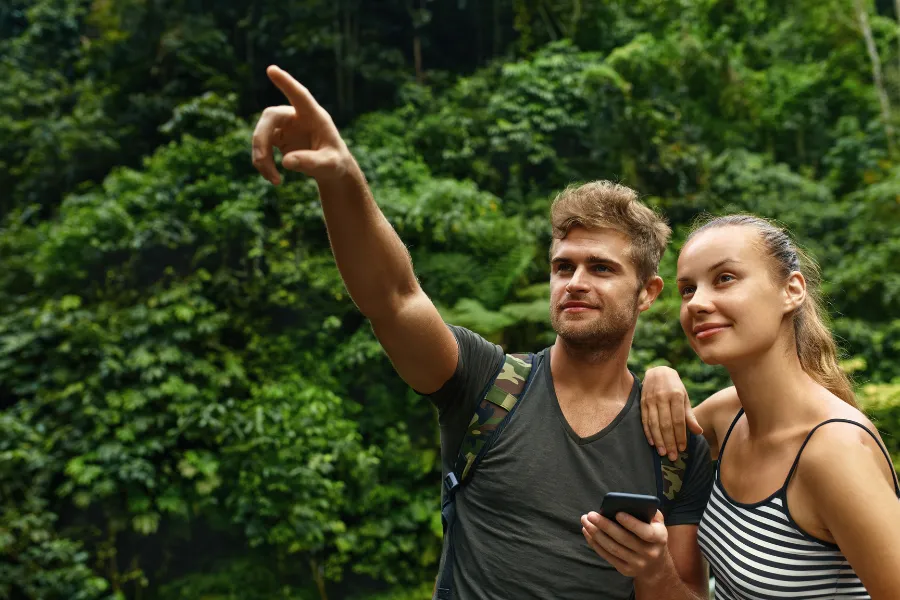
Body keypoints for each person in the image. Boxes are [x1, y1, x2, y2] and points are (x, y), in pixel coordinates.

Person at [251, 65, 714, 600]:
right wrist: (341, 179)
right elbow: (394, 298)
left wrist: (653, 572)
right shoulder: (487, 384)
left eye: (601, 268)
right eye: (563, 267)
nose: (576, 283)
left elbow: (688, 592)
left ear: (649, 292)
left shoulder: (675, 446)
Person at [640, 215, 900, 599]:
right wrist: (658, 374)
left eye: (725, 278)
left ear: (791, 291)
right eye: (687, 289)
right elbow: (657, 442)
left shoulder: (834, 453)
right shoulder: (727, 416)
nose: (698, 303)